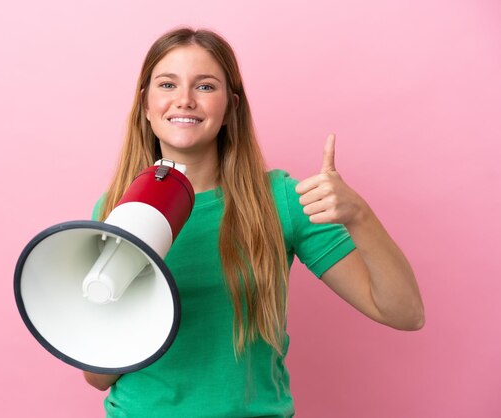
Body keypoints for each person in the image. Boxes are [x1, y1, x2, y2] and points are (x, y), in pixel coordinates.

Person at [83, 27, 425, 417]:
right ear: (146, 104)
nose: (184, 100)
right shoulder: (115, 209)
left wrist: (359, 216)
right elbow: (97, 377)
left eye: (206, 87)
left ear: (231, 107)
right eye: (167, 84)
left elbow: (405, 312)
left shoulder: (280, 201)